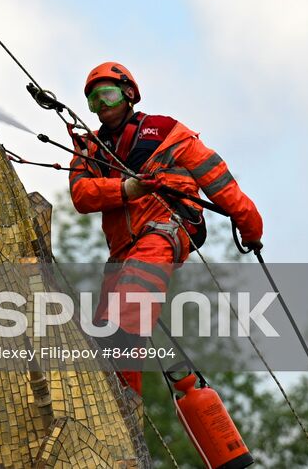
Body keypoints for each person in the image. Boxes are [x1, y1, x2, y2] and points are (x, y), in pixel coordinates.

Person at [65, 61, 263, 395]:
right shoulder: (90, 149)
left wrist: (251, 229)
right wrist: (128, 189)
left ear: (129, 95)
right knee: (106, 339)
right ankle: (125, 411)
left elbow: (221, 184)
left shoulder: (169, 134)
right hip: (121, 253)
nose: (101, 107)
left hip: (167, 228)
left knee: (128, 307)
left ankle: (122, 354)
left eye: (108, 96)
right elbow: (82, 195)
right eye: (93, 101)